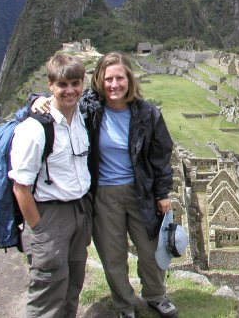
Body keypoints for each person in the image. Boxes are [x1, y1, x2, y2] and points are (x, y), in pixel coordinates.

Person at [33, 52, 177, 318]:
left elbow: (161, 154)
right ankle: (124, 305)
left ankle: (156, 295)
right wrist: (36, 100)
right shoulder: (90, 109)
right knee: (113, 257)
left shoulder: (147, 113)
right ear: (99, 80)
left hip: (140, 192)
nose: (114, 85)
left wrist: (162, 192)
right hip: (103, 195)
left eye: (119, 78)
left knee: (151, 252)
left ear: (129, 79)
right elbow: (61, 98)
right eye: (108, 78)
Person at [9, 53, 92, 318]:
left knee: (73, 285)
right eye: (63, 84)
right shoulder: (34, 129)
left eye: (75, 83)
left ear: (83, 84)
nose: (70, 90)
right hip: (49, 215)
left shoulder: (82, 116)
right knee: (48, 291)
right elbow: (20, 186)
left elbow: (116, 94)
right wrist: (39, 229)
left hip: (79, 211)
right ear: (50, 85)